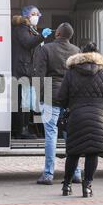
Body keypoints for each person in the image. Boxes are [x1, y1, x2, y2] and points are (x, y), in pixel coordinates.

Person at [58, 42, 103, 197]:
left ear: (80, 55)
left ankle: (66, 186)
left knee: (73, 152)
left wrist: (70, 107)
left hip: (76, 116)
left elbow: (61, 97)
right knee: (92, 153)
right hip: (98, 117)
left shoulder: (71, 73)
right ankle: (87, 187)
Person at [33, 23, 82, 185]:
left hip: (51, 97)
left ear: (58, 33)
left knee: (51, 135)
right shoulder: (76, 51)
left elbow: (39, 76)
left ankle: (48, 174)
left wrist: (40, 96)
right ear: (70, 36)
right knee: (71, 136)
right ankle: (76, 173)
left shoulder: (45, 49)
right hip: (70, 99)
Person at [11, 5, 53, 139]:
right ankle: (21, 131)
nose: (37, 16)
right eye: (34, 14)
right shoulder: (21, 28)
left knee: (27, 103)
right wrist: (42, 36)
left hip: (29, 72)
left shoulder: (31, 29)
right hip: (22, 72)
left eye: (38, 14)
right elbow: (28, 43)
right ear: (27, 15)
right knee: (22, 103)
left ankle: (26, 128)